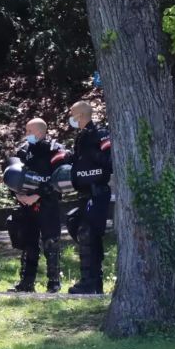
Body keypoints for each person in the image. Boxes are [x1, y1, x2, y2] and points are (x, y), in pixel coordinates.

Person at [7, 118, 67, 293]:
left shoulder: (55, 150)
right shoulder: (23, 151)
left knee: (51, 242)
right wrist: (19, 195)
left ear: (41, 132)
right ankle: (26, 282)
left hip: (48, 202)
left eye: (29, 131)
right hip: (26, 203)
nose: (27, 135)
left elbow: (59, 178)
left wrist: (37, 195)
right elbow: (12, 177)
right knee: (28, 243)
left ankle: (53, 283)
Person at [66, 100, 113, 294]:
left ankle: (90, 281)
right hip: (84, 193)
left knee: (88, 233)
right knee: (79, 228)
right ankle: (92, 281)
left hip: (98, 192)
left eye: (72, 113)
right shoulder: (81, 137)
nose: (70, 117)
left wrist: (94, 154)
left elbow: (110, 160)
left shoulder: (100, 134)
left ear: (81, 115)